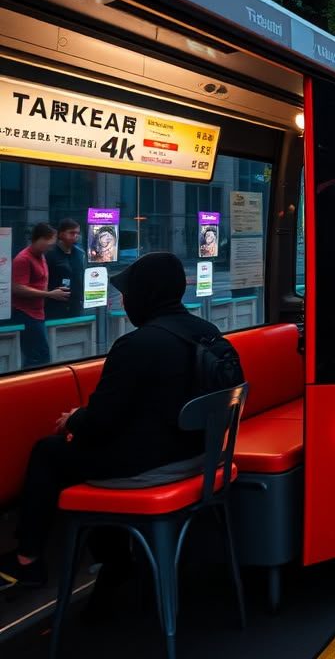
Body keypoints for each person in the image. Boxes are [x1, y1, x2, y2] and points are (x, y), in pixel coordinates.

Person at [0, 252, 221, 591]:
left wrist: (74, 420)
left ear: (146, 295)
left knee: (50, 451)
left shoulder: (136, 345)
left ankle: (29, 559)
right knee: (95, 453)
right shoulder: (209, 333)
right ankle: (115, 562)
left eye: (128, 293)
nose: (123, 300)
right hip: (204, 458)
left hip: (157, 468)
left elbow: (101, 421)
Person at [11, 223, 69, 368]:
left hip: (38, 313)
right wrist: (49, 294)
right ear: (40, 239)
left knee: (40, 356)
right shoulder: (23, 259)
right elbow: (17, 288)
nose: (51, 248)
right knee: (38, 357)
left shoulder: (41, 256)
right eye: (49, 244)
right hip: (26, 314)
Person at [45, 218, 87, 320]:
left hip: (75, 305)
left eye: (77, 233)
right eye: (72, 233)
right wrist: (49, 293)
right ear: (61, 234)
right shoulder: (50, 254)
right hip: (55, 305)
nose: (75, 236)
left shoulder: (79, 253)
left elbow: (81, 276)